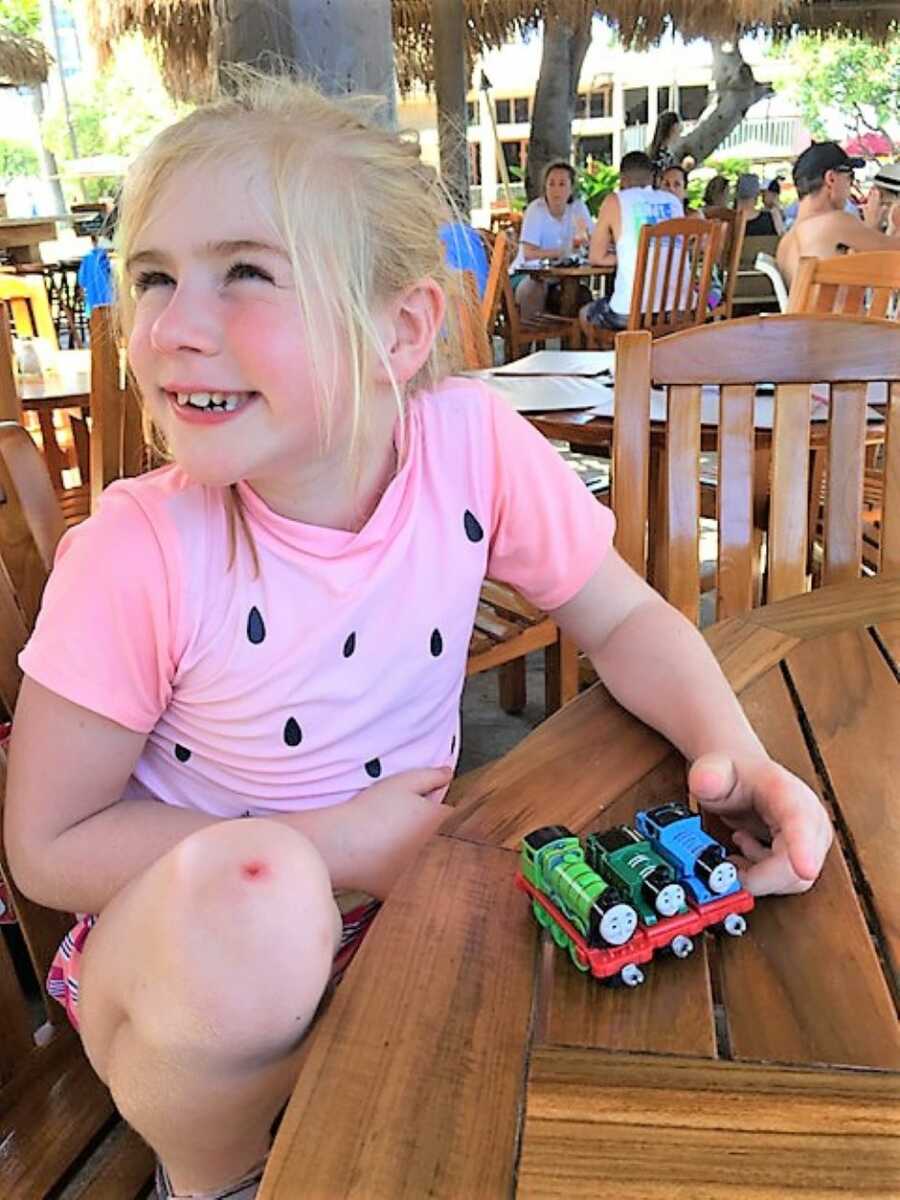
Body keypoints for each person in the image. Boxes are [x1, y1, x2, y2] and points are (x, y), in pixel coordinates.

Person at [4, 74, 832, 1200]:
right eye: (152, 276)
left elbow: (627, 615)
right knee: (265, 891)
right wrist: (330, 846)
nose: (167, 326)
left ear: (399, 332)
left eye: (244, 271)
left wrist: (731, 757)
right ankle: (214, 1182)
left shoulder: (471, 444)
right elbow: (49, 846)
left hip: (405, 915)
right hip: (184, 978)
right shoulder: (139, 551)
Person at [580, 150, 683, 333]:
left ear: (622, 179)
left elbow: (596, 257)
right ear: (652, 177)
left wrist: (630, 255)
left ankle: (617, 359)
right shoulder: (674, 202)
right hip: (678, 308)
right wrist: (636, 253)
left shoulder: (615, 201)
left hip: (633, 311)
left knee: (585, 314)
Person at [777, 142, 900, 286]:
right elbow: (894, 251)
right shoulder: (835, 222)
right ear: (831, 179)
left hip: (805, 308)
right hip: (838, 309)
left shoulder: (786, 242)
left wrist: (871, 227)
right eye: (850, 177)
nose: (851, 185)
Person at [509, 159, 593, 319]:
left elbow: (591, 240)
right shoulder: (536, 209)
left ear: (571, 188)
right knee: (534, 290)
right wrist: (561, 252)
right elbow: (528, 253)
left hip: (562, 278)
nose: (556, 190)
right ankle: (526, 341)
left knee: (581, 295)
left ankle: (573, 343)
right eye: (551, 184)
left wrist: (586, 240)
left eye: (562, 184)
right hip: (526, 274)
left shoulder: (578, 208)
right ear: (544, 187)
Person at [648, 110, 682, 177]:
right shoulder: (664, 157)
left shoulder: (656, 152)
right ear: (671, 129)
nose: (679, 134)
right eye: (678, 130)